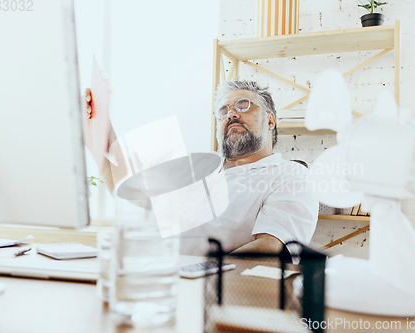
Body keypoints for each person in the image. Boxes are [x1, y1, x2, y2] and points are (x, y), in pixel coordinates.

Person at [85, 80, 319, 257]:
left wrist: (198, 275)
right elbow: (128, 188)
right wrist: (98, 128)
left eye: (244, 105)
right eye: (223, 111)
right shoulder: (197, 164)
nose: (232, 114)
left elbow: (271, 248)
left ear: (270, 120)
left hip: (216, 296)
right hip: (158, 278)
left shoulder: (290, 175)